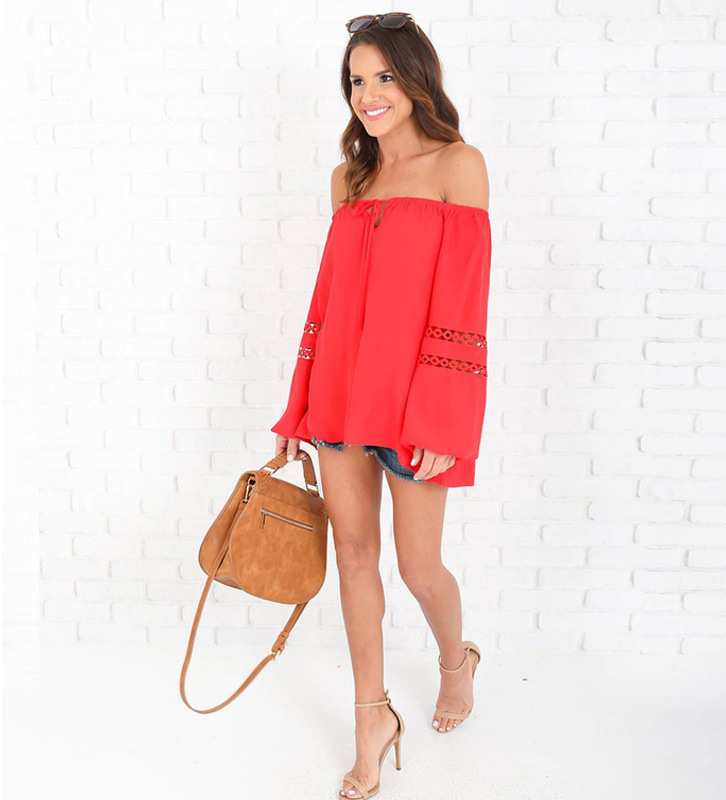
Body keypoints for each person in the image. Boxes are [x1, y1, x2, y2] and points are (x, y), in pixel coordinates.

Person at [270, 13, 491, 800]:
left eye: (384, 76)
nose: (369, 94)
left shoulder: (457, 165)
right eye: (357, 80)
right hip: (340, 395)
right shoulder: (348, 180)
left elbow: (463, 302)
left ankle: (456, 660)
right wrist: (298, 406)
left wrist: (443, 419)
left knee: (419, 566)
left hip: (416, 403)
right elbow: (327, 303)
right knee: (355, 558)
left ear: (417, 78)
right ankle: (373, 720)